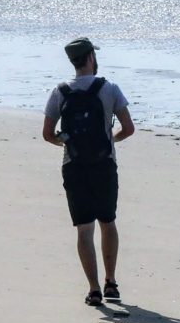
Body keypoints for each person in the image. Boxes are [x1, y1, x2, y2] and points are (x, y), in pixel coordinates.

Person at [42, 36, 134, 307]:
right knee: (108, 221)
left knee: (84, 229)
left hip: (74, 166)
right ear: (91, 57)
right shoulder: (109, 88)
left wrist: (67, 141)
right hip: (104, 164)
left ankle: (94, 289)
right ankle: (111, 283)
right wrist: (109, 140)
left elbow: (47, 134)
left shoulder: (59, 92)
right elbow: (128, 128)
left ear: (73, 61)